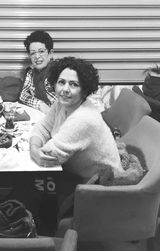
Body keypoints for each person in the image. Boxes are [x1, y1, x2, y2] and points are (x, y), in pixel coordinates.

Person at [29, 56, 124, 200]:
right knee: (30, 182)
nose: (65, 89)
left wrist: (36, 151)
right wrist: (34, 148)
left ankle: (41, 220)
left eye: (73, 84)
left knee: (31, 184)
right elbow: (42, 127)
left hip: (100, 188)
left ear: (84, 91)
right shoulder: (62, 103)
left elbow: (48, 156)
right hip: (78, 175)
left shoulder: (83, 119)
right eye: (61, 82)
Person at [18, 30, 56, 114]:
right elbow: (23, 95)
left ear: (50, 53)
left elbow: (65, 102)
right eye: (33, 53)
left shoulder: (59, 71)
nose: (37, 57)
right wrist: (40, 105)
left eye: (41, 51)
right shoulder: (31, 73)